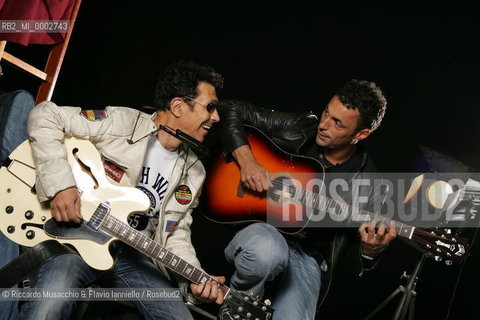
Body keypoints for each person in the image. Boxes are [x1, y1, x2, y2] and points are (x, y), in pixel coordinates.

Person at [17, 61, 226, 320]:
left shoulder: (195, 171)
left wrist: (194, 278)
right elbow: (45, 115)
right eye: (210, 107)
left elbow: (176, 233)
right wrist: (61, 186)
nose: (216, 117)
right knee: (48, 307)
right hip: (77, 241)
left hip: (134, 257)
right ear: (178, 106)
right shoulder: (124, 123)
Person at [216, 80, 397, 320]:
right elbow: (229, 108)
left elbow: (351, 266)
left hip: (308, 256)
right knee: (267, 252)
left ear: (361, 134)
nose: (323, 125)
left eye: (337, 124)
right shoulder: (300, 126)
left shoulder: (370, 183)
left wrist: (369, 251)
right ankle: (236, 305)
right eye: (326, 113)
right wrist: (248, 160)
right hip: (265, 231)